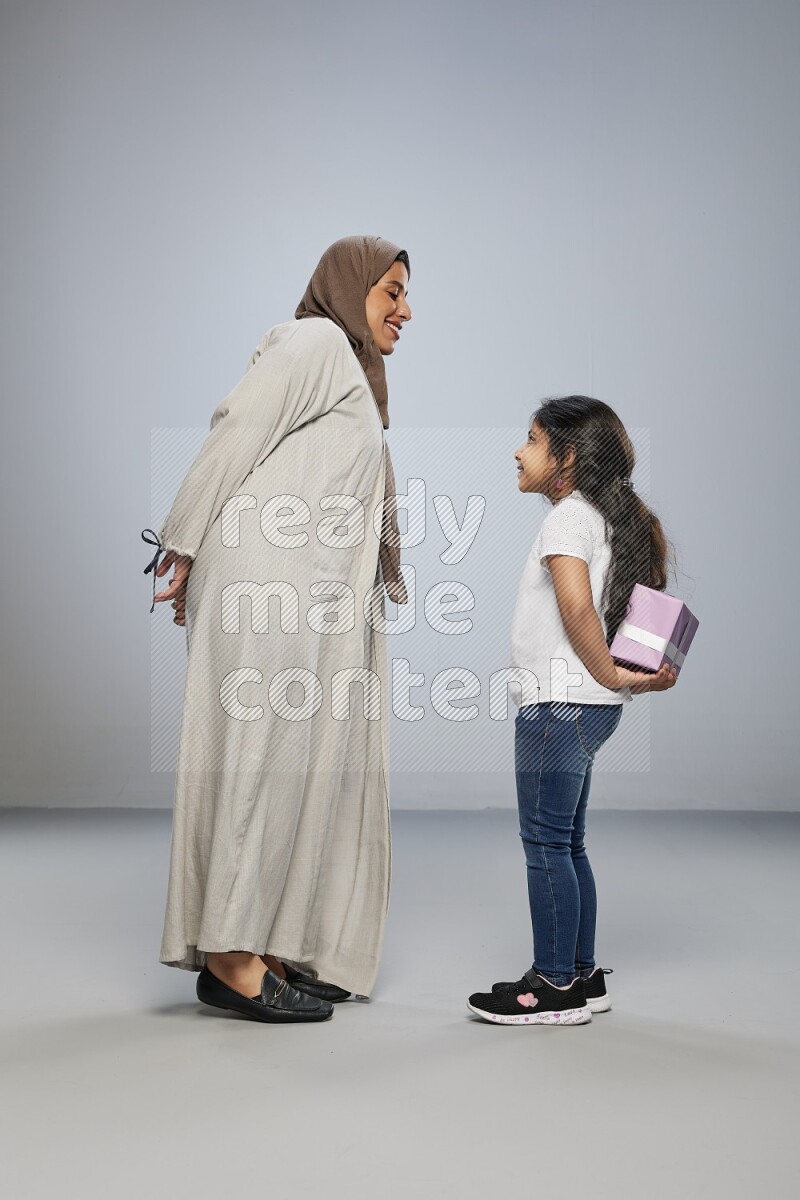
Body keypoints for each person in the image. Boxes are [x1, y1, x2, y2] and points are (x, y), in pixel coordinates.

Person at [142, 236, 412, 1024]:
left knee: (306, 770)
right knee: (256, 764)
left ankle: (271, 944)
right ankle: (229, 960)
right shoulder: (317, 340)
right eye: (391, 290)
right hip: (270, 586)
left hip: (311, 597)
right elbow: (239, 429)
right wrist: (184, 542)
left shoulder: (353, 375)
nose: (406, 309)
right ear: (349, 285)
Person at [467, 395, 679, 1026]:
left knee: (545, 845)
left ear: (565, 459)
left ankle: (553, 986)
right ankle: (582, 975)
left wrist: (612, 672)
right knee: (569, 843)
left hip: (557, 704)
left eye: (532, 439)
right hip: (590, 708)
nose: (517, 450)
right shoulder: (607, 517)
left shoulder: (567, 518)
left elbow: (578, 609)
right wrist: (620, 682)